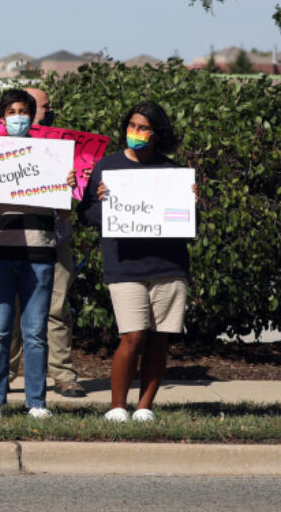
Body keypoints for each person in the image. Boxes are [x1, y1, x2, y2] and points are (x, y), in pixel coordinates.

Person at [77, 101, 197, 422]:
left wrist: (192, 204)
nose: (136, 132)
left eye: (144, 128)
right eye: (132, 125)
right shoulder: (107, 167)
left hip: (168, 266)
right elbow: (87, 216)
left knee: (160, 338)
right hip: (124, 264)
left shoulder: (172, 172)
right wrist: (100, 200)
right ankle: (117, 406)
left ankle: (145, 407)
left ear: (158, 134)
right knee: (132, 335)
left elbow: (189, 226)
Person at [0, 89, 75, 420]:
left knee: (34, 334)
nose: (17, 116)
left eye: (23, 111)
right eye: (11, 111)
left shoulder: (51, 155)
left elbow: (63, 214)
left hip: (38, 254)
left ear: (32, 117)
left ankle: (36, 402)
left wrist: (67, 186)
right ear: (2, 117)